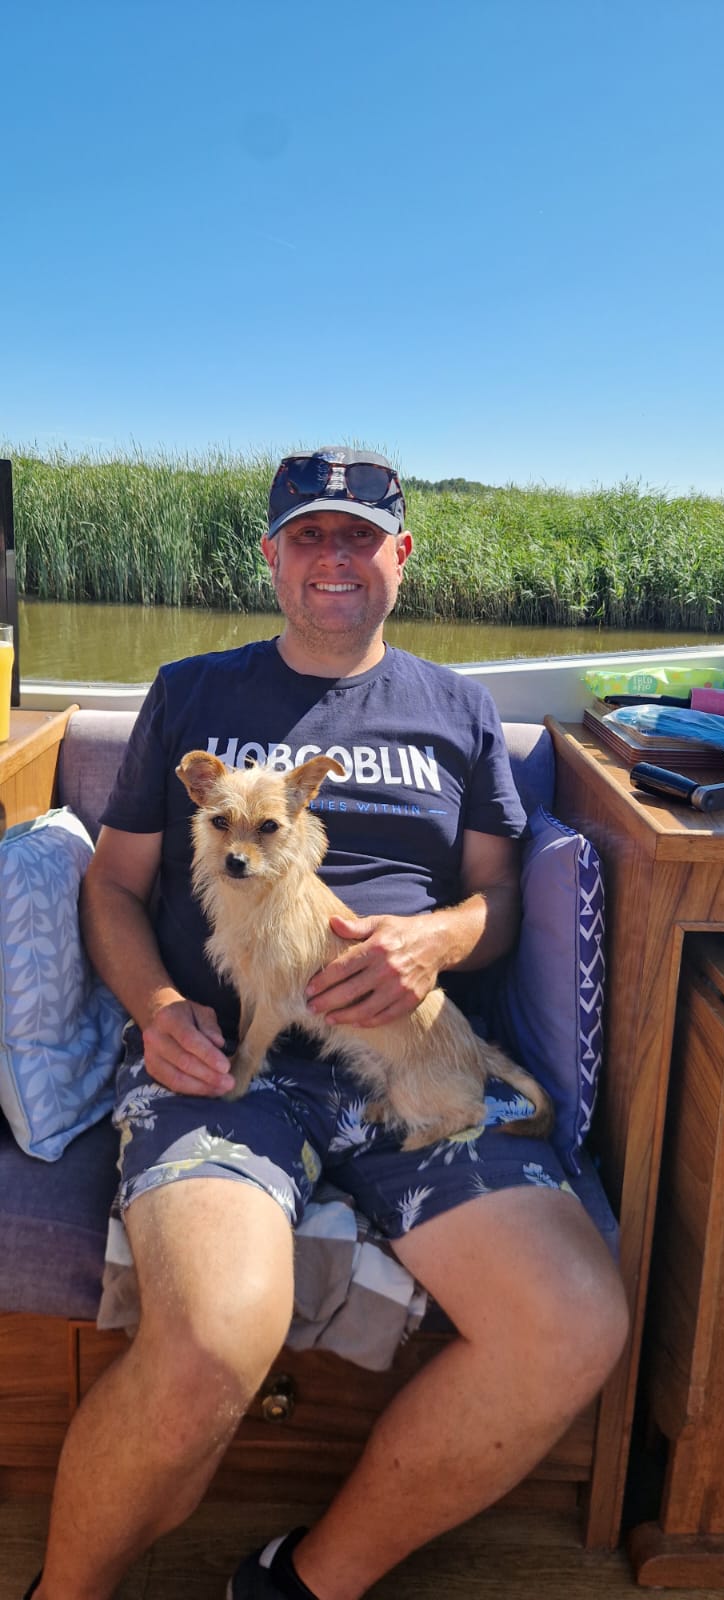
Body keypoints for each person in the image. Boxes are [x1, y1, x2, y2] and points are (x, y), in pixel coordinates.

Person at [28, 448, 628, 1600]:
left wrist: (437, 941)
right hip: (231, 1066)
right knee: (207, 1343)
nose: (335, 556)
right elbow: (110, 886)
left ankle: (301, 1582)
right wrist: (155, 1008)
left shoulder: (458, 706)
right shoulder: (193, 691)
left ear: (401, 555)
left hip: (409, 1059)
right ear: (270, 556)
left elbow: (497, 902)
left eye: (361, 535)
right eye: (310, 534)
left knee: (570, 1325)